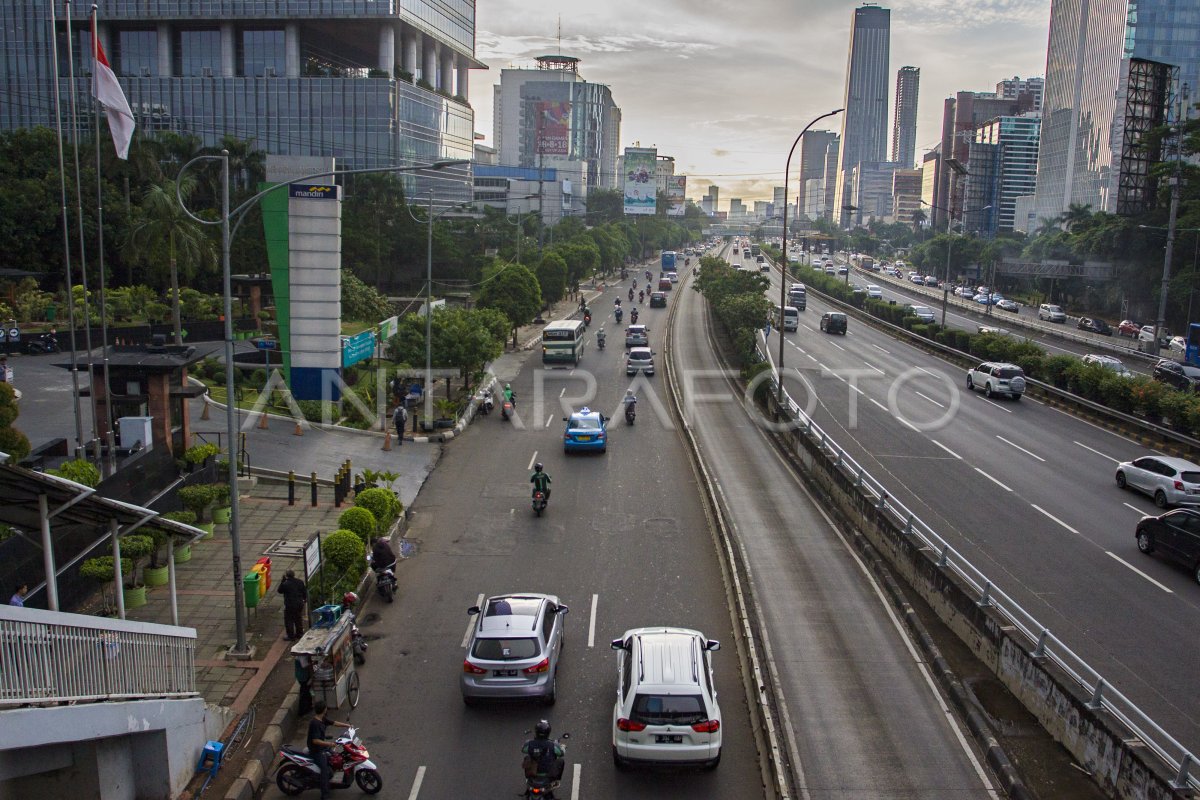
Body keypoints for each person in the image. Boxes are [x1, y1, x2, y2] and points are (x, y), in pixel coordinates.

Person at [307, 700, 352, 800]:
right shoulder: (315, 724)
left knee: (336, 757)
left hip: (322, 747)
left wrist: (347, 726)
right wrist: (330, 744)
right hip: (316, 751)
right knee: (324, 770)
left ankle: (332, 781)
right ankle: (325, 795)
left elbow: (334, 723)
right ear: (324, 710)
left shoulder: (322, 719)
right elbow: (315, 741)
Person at [277, 569, 307, 641]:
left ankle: (291, 636)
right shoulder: (300, 582)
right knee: (298, 618)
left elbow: (279, 591)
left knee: (289, 620)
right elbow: (304, 592)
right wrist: (304, 599)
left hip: (290, 605)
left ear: (287, 576)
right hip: (299, 603)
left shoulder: (286, 584)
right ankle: (299, 634)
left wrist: (282, 581)